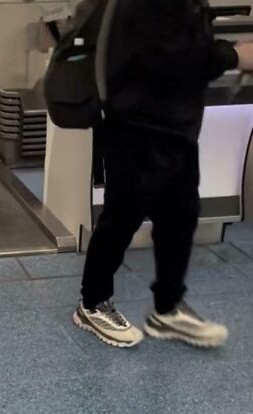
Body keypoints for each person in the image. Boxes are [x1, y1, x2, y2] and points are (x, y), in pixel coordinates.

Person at [74, 0, 253, 349]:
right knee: (123, 216)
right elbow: (171, 56)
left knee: (180, 215)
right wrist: (235, 56)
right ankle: (92, 303)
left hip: (174, 124)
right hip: (137, 122)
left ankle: (167, 309)